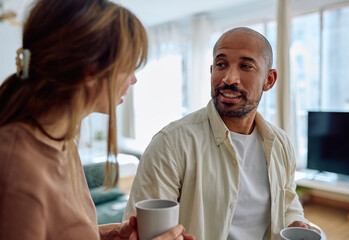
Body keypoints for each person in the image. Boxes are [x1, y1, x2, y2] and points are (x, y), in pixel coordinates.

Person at [0, 0, 194, 239]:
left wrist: (111, 233)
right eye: (127, 66)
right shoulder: (15, 164)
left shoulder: (62, 141)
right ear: (90, 69)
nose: (133, 80)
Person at [123, 27, 321, 239]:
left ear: (269, 80)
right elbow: (142, 231)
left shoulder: (281, 143)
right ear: (211, 71)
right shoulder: (170, 144)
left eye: (246, 66)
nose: (229, 78)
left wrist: (295, 222)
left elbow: (289, 202)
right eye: (221, 64)